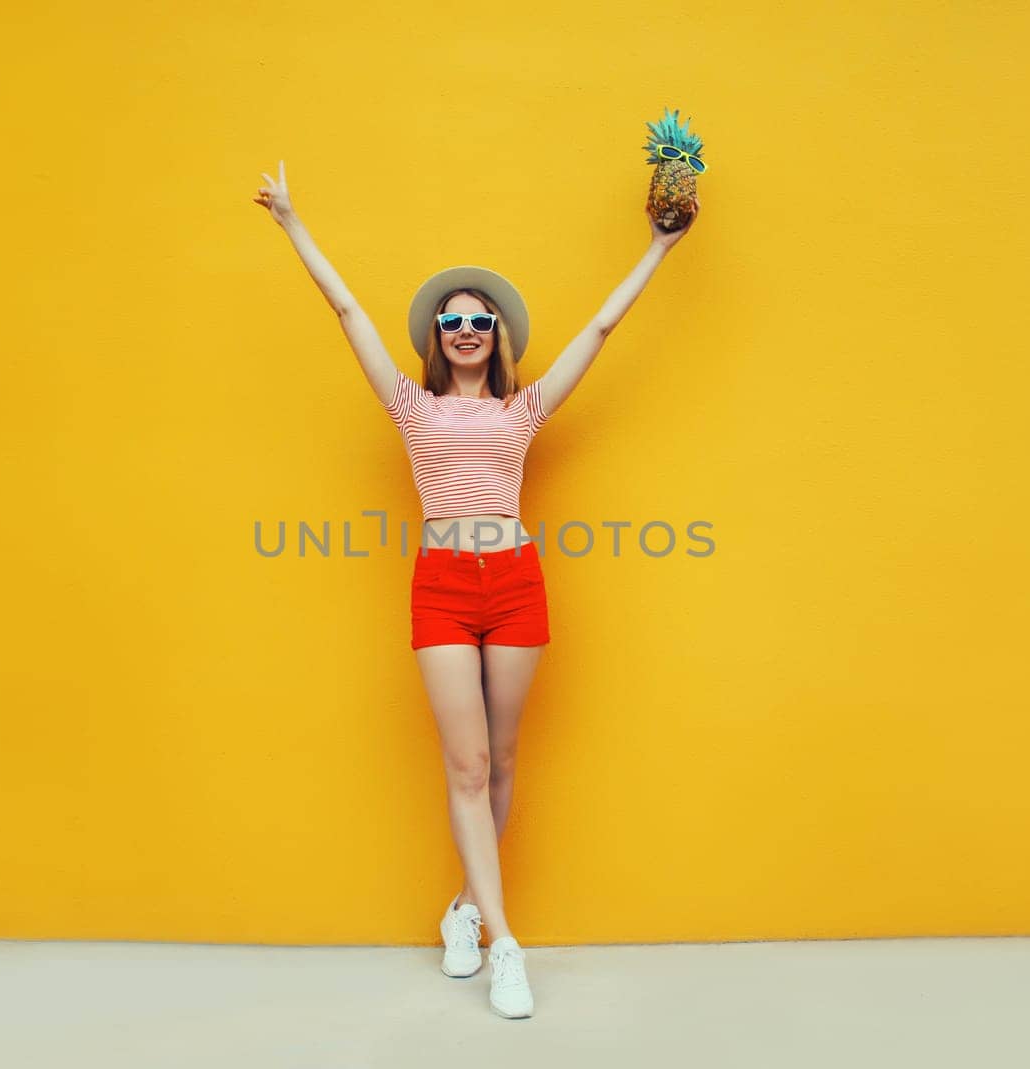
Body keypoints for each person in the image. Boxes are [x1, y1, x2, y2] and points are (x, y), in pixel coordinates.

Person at [252, 160, 697, 1019]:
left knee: (500, 760)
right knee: (464, 762)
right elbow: (347, 313)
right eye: (451, 320)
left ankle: (463, 909)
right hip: (444, 587)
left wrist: (659, 248)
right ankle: (505, 945)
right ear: (436, 336)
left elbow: (602, 330)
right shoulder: (411, 409)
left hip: (517, 582)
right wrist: (294, 224)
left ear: (498, 339)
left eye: (479, 320)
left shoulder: (521, 412)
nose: (464, 328)